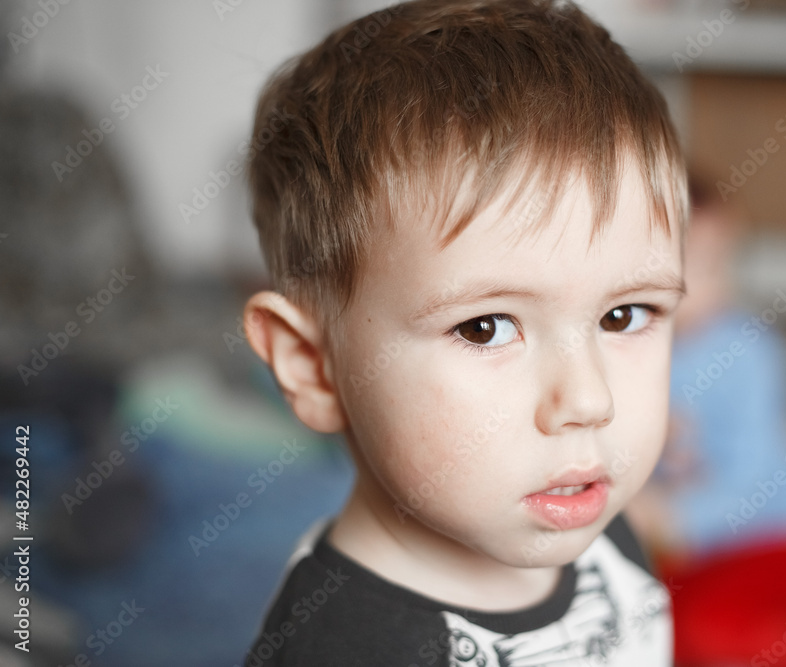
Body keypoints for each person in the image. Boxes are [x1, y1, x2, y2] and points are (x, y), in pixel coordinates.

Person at [238, 1, 689, 664]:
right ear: (314, 363)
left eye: (623, 315)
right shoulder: (344, 647)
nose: (590, 401)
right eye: (485, 327)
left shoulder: (599, 528)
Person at [628, 176, 786, 667]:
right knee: (639, 632)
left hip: (784, 538)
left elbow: (752, 474)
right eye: (688, 265)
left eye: (718, 266)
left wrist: (670, 518)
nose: (708, 284)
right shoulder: (626, 349)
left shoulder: (749, 349)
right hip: (686, 552)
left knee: (705, 632)